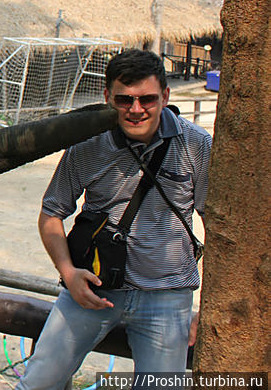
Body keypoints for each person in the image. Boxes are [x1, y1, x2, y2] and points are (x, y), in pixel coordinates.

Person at [16, 50, 212, 389]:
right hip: (92, 289)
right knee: (37, 382)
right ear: (108, 97)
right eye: (125, 100)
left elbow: (218, 228)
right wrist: (68, 274)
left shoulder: (196, 145)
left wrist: (205, 309)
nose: (136, 110)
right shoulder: (88, 144)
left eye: (147, 99)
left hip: (167, 297)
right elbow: (52, 212)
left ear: (165, 96)